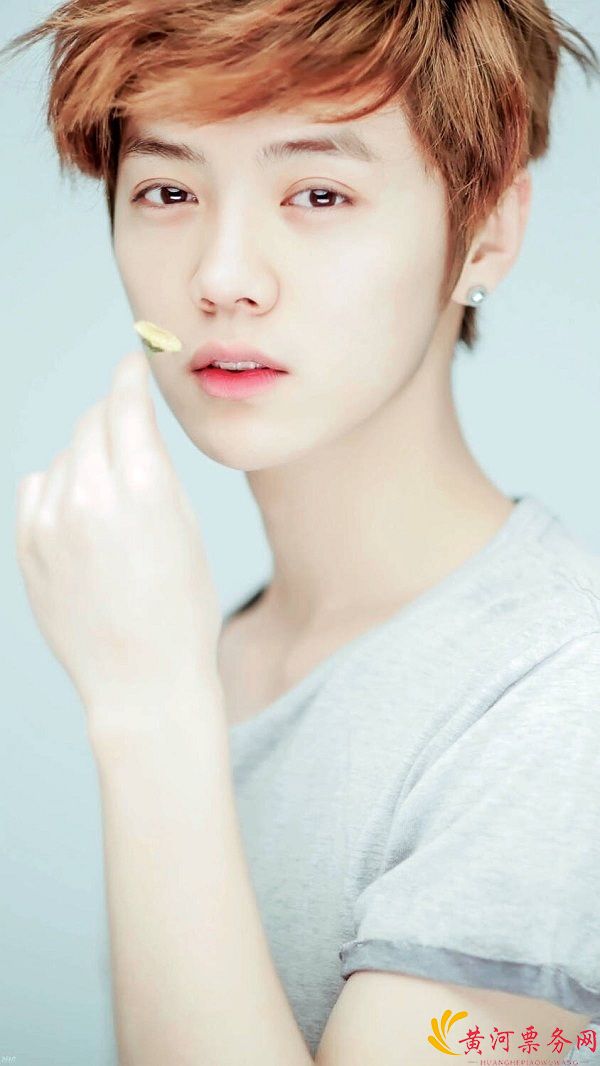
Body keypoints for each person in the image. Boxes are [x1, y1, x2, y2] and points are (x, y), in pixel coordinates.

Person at [4, 1, 600, 1063]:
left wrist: (147, 714)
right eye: (169, 191)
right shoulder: (219, 650)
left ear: (489, 231)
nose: (222, 276)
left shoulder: (563, 700)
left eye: (319, 193)